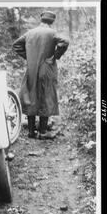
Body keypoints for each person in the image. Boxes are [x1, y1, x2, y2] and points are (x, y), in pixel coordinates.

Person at [12, 11, 69, 139]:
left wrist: (29, 57)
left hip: (31, 69)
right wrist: (56, 56)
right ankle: (42, 132)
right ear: (52, 21)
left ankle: (31, 132)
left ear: (41, 19)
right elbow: (64, 41)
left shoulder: (30, 33)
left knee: (30, 96)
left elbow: (16, 45)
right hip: (47, 68)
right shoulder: (52, 33)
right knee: (47, 96)